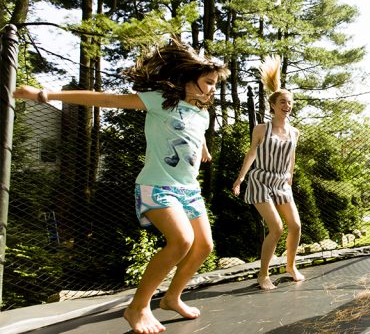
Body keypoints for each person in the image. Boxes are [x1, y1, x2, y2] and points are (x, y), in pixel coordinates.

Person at [13, 42, 230, 334]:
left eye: (215, 84)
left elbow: (193, 129)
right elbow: (106, 100)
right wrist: (45, 94)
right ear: (186, 79)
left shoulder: (201, 113)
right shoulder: (158, 100)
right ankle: (137, 307)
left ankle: (171, 298)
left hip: (189, 189)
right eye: (209, 82)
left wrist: (202, 147)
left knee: (204, 246)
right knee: (181, 240)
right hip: (157, 185)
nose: (213, 89)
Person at [232, 55, 304, 290]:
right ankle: (263, 275)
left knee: (295, 226)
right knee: (277, 228)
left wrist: (290, 178)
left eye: (290, 102)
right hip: (261, 180)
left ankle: (290, 266)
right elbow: (251, 153)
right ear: (273, 105)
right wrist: (241, 178)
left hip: (282, 182)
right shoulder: (262, 128)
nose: (287, 106)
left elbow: (291, 157)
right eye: (283, 102)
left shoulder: (294, 132)